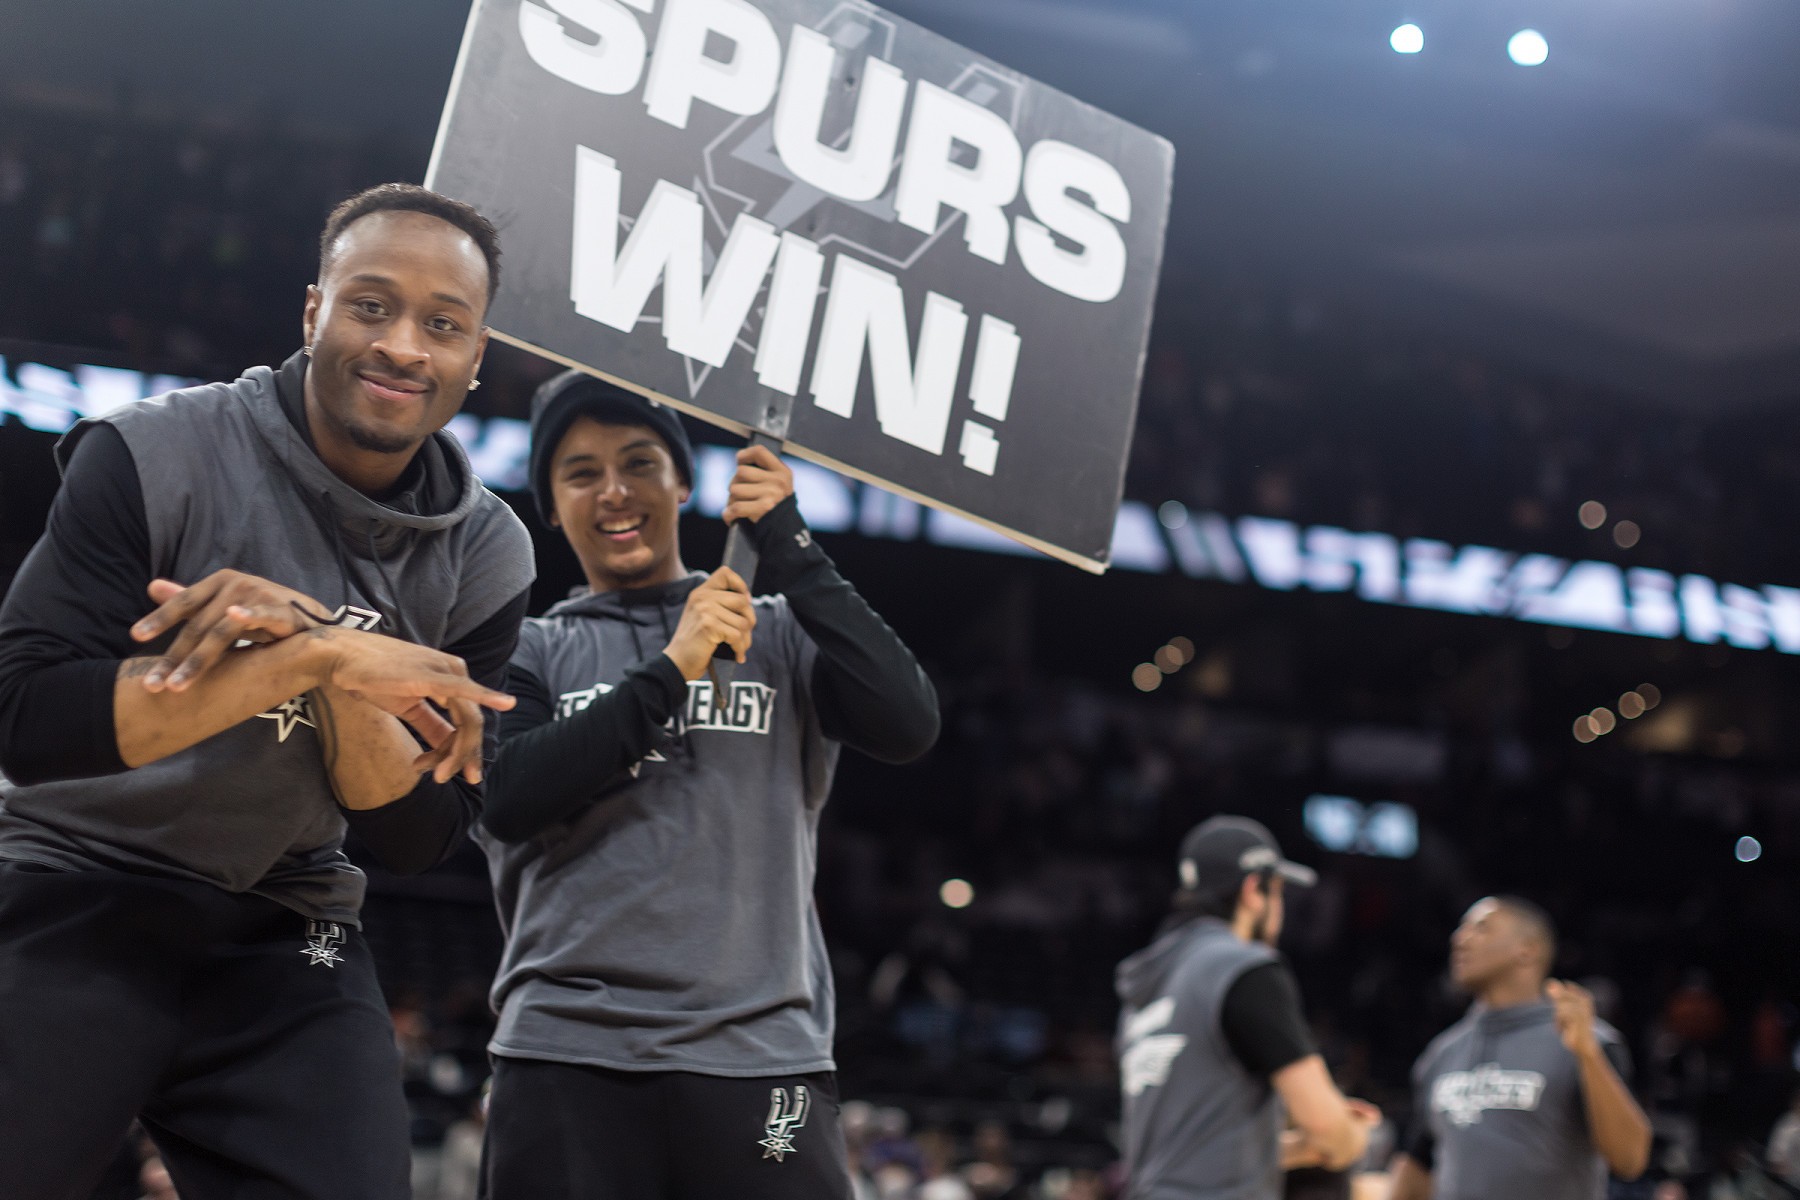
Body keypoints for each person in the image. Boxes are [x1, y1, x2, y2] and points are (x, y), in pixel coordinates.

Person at [0, 183, 535, 1199]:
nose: (403, 346)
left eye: (443, 324)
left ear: (475, 356)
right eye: (371, 305)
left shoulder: (488, 552)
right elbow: (26, 721)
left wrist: (326, 658)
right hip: (76, 881)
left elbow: (418, 836)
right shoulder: (153, 451)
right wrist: (300, 663)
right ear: (314, 311)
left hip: (286, 919)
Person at [475, 370, 940, 1198]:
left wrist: (790, 541)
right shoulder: (528, 650)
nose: (614, 490)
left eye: (639, 462)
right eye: (581, 473)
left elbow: (908, 722)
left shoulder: (779, 635)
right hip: (566, 1052)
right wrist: (672, 668)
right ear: (550, 505)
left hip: (762, 1057)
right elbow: (508, 800)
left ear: (684, 483)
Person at [1116, 816, 1380, 1199]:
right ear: (1254, 890)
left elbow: (1183, 1162)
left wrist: (1292, 1150)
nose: (1280, 912)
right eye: (1278, 894)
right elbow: (1326, 1127)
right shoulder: (1241, 968)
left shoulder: (1149, 988)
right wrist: (1349, 1137)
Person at [1386, 897, 1652, 1200]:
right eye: (1461, 929)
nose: (1459, 939)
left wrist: (1588, 1055)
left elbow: (1630, 1160)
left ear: (1527, 950)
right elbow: (1417, 1163)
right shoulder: (1442, 1052)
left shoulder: (1586, 1040)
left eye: (1481, 928)